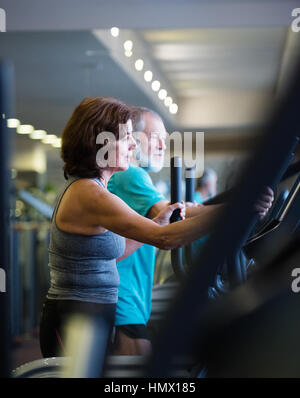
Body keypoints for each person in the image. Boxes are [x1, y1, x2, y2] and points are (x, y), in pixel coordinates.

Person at [39, 97, 236, 358]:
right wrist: (234, 211)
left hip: (91, 317)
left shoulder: (98, 188)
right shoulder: (90, 194)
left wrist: (155, 223)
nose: (133, 145)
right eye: (126, 137)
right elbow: (165, 239)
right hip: (74, 320)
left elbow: (116, 253)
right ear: (102, 142)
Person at [108, 107, 274, 356]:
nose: (163, 147)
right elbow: (174, 216)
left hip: (130, 296)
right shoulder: (131, 175)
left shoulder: (131, 177)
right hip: (123, 297)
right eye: (156, 138)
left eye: (165, 140)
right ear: (134, 138)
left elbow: (178, 210)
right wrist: (239, 207)